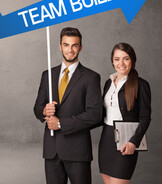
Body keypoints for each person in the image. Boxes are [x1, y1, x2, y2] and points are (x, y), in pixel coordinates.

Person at [34, 27, 103, 184]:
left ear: (80, 47)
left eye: (74, 45)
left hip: (77, 151)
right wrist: (44, 111)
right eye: (66, 45)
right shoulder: (47, 75)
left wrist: (60, 123)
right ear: (60, 46)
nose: (70, 50)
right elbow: (37, 108)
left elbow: (95, 114)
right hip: (52, 152)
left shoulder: (91, 77)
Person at [98, 43, 151, 184]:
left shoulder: (141, 85)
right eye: (117, 59)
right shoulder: (108, 83)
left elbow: (145, 118)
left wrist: (134, 142)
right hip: (106, 139)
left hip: (126, 140)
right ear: (112, 61)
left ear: (132, 60)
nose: (121, 63)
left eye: (125, 58)